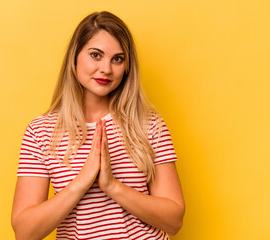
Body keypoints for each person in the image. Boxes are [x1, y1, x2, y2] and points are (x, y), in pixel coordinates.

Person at [11, 11, 185, 240]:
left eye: (118, 59)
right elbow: (25, 233)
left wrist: (112, 186)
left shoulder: (149, 125)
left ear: (126, 68)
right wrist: (80, 183)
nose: (106, 69)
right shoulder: (42, 131)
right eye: (96, 55)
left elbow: (174, 221)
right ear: (75, 58)